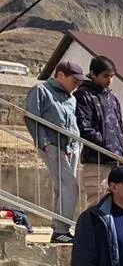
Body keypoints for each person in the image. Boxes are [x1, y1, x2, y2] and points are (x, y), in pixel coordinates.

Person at [25, 60, 85, 243]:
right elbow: (31, 117)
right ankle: (61, 230)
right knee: (70, 187)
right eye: (74, 81)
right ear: (60, 75)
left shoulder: (71, 98)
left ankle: (59, 229)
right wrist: (43, 143)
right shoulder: (41, 90)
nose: (77, 85)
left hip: (71, 147)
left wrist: (78, 146)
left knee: (63, 187)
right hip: (52, 144)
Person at [75, 56, 123, 209]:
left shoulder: (112, 99)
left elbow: (120, 127)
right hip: (96, 162)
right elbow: (83, 128)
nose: (110, 80)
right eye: (106, 76)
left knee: (119, 206)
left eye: (112, 76)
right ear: (93, 74)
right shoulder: (83, 96)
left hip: (117, 161)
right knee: (97, 205)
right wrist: (107, 145)